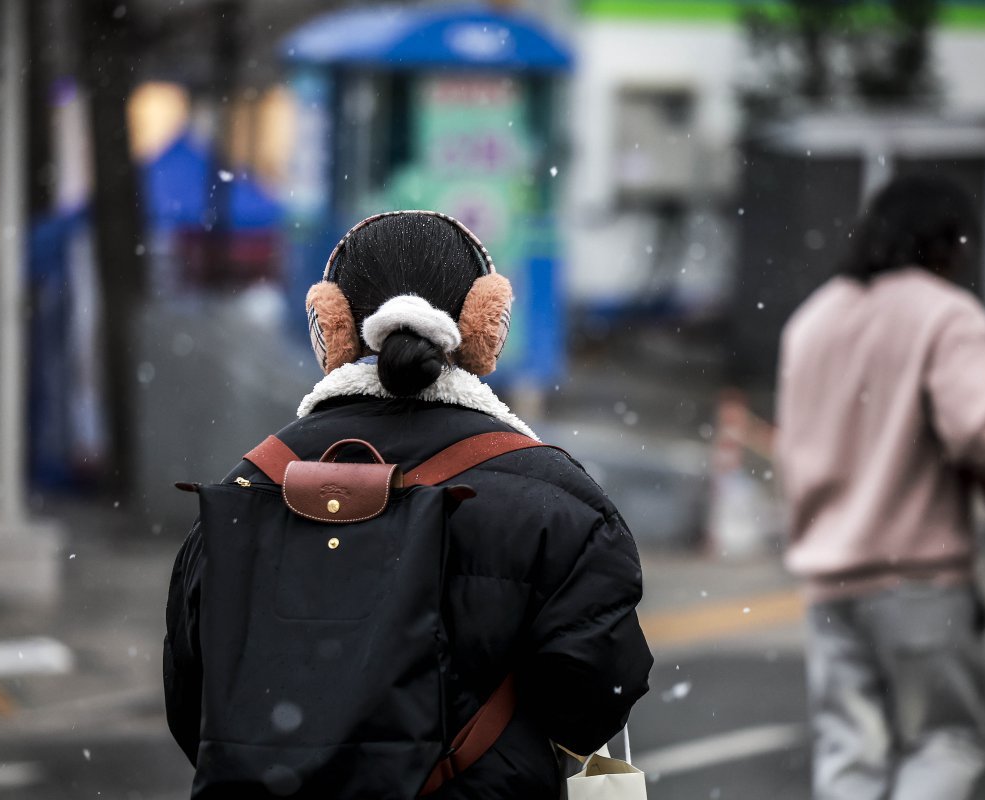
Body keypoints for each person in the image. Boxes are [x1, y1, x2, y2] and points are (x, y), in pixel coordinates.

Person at [164, 210, 652, 798]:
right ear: (484, 324)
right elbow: (593, 706)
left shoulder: (248, 488)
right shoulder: (556, 500)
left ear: (332, 325)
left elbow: (196, 709)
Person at [776, 174, 985, 800]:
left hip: (829, 575)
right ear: (947, 241)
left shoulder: (813, 319)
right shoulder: (947, 315)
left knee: (847, 755)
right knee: (943, 743)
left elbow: (792, 445)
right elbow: (976, 433)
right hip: (919, 578)